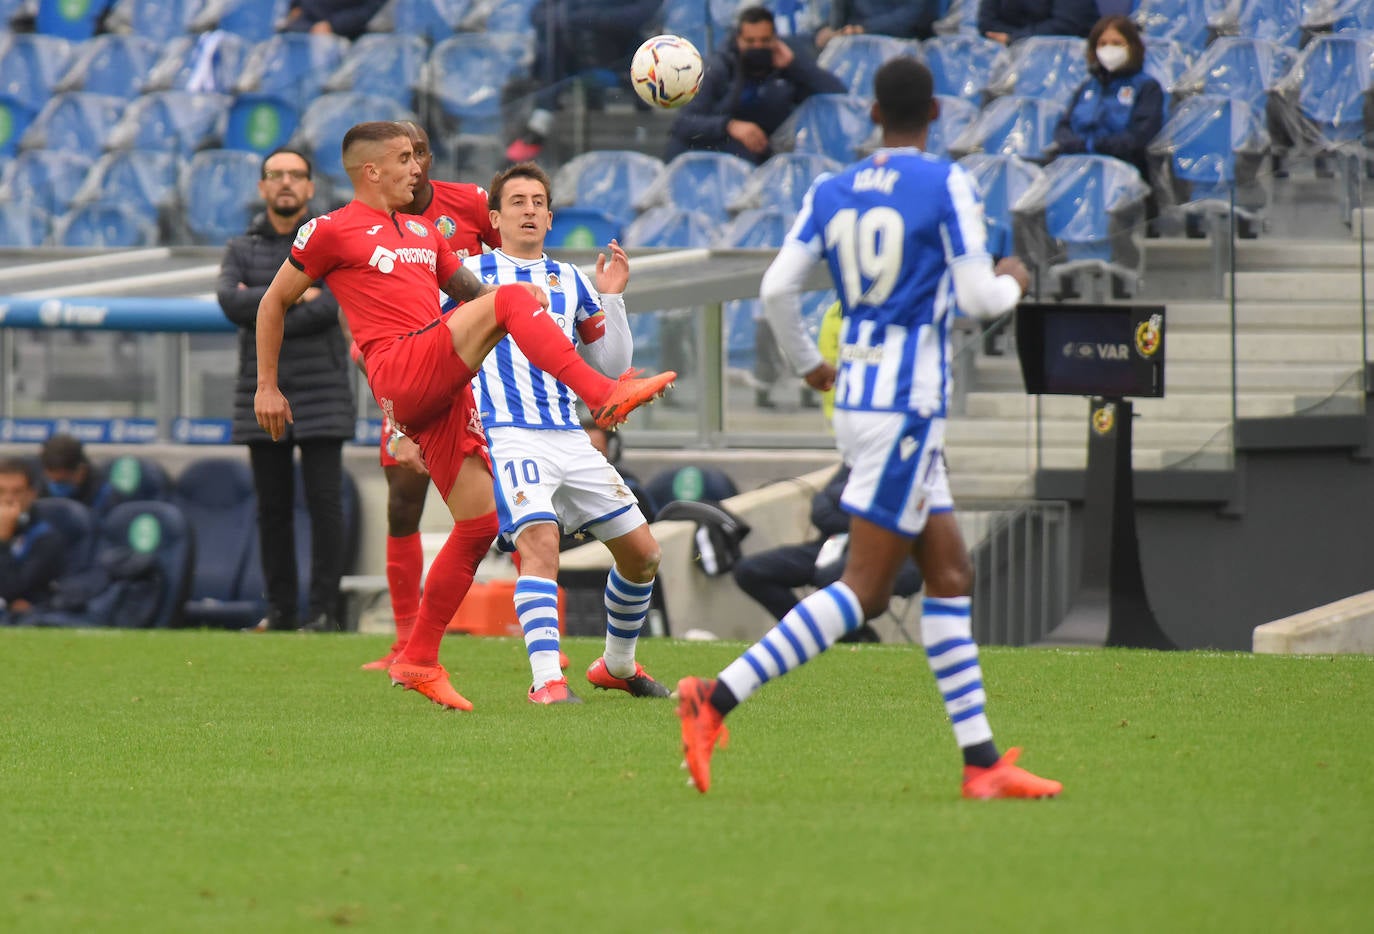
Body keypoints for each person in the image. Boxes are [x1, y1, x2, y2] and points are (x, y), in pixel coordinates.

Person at [674, 58, 1063, 800]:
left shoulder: (831, 189)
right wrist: (1016, 275)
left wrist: (808, 368)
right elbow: (981, 299)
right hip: (905, 406)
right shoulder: (945, 182)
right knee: (864, 589)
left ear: (873, 113)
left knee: (950, 573)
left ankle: (982, 764)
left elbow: (776, 287)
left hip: (858, 394)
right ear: (939, 110)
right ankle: (713, 697)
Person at [254, 120, 676, 711]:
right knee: (510, 302)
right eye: (404, 159)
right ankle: (601, 394)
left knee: (478, 527)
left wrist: (518, 309)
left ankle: (419, 659)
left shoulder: (427, 233)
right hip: (401, 366)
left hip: (445, 385)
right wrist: (267, 386)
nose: (416, 169)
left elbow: (474, 295)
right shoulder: (329, 231)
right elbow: (272, 301)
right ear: (370, 170)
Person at [468, 161, 670, 704]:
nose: (529, 209)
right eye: (517, 201)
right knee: (540, 543)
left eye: (538, 201)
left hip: (568, 435)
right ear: (495, 217)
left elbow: (611, 366)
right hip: (508, 432)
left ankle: (616, 664)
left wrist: (612, 297)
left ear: (551, 217)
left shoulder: (571, 281)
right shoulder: (468, 275)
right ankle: (547, 682)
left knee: (644, 554)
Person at [357, 122, 503, 672]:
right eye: (401, 154)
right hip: (409, 376)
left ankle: (539, 641)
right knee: (402, 497)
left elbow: (512, 254)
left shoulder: (467, 204)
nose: (413, 163)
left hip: (478, 375)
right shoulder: (369, 223)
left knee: (495, 512)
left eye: (419, 151)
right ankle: (403, 641)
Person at [218, 147, 355, 634]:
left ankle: (323, 613)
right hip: (260, 391)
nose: (285, 183)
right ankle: (279, 612)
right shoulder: (240, 247)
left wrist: (269, 306)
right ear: (261, 187)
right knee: (271, 509)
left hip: (322, 393)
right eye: (275, 175)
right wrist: (291, 298)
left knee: (326, 507)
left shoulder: (330, 239)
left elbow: (328, 309)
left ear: (311, 187)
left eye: (295, 175)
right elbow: (230, 304)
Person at [731, 464, 919, 643]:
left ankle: (849, 636)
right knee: (750, 571)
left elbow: (894, 515)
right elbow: (821, 509)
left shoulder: (914, 455)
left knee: (831, 576)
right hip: (831, 545)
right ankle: (811, 634)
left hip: (889, 552)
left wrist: (847, 504)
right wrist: (862, 517)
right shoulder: (858, 457)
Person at [665, 5, 846, 166]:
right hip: (719, 148)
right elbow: (683, 122)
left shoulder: (789, 67)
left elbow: (837, 93)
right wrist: (729, 126)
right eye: (750, 41)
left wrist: (794, 66)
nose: (758, 46)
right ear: (738, 39)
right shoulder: (718, 67)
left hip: (767, 154)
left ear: (775, 39)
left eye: (765, 40)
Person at [505, 0, 662, 162]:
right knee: (551, 38)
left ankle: (542, 117)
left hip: (620, 57)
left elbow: (640, 15)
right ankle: (541, 117)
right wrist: (579, 19)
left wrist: (581, 18)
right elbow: (539, 14)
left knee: (561, 30)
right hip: (573, 58)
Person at [1050, 15, 1164, 182]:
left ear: (1133, 46)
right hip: (1076, 167)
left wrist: (1094, 146)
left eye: (1117, 43)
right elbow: (1063, 127)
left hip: (1124, 172)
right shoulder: (1088, 85)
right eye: (1102, 44)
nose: (1109, 49)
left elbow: (1139, 136)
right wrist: (1077, 145)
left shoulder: (1147, 87)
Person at [0, 457, 65, 625]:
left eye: (17, 492)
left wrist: (3, 541)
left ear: (31, 494)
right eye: (1, 491)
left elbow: (12, 590)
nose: (8, 499)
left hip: (25, 619)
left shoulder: (45, 536)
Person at [814, 0, 942, 49]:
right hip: (849, 44)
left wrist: (863, 29)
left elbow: (916, 15)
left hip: (904, 47)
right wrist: (831, 30)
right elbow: (837, 21)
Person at [38, 434, 111, 512]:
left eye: (63, 482)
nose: (56, 487)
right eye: (52, 480)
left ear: (81, 471)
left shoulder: (103, 495)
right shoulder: (35, 485)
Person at [977, 0, 1097, 45]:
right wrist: (1010, 38)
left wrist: (1013, 38)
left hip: (1058, 52)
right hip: (1005, 50)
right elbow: (987, 23)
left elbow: (1065, 25)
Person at [279, 0, 386, 39]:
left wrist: (332, 25)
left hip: (340, 34)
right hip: (302, 23)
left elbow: (369, 10)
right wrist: (296, 6)